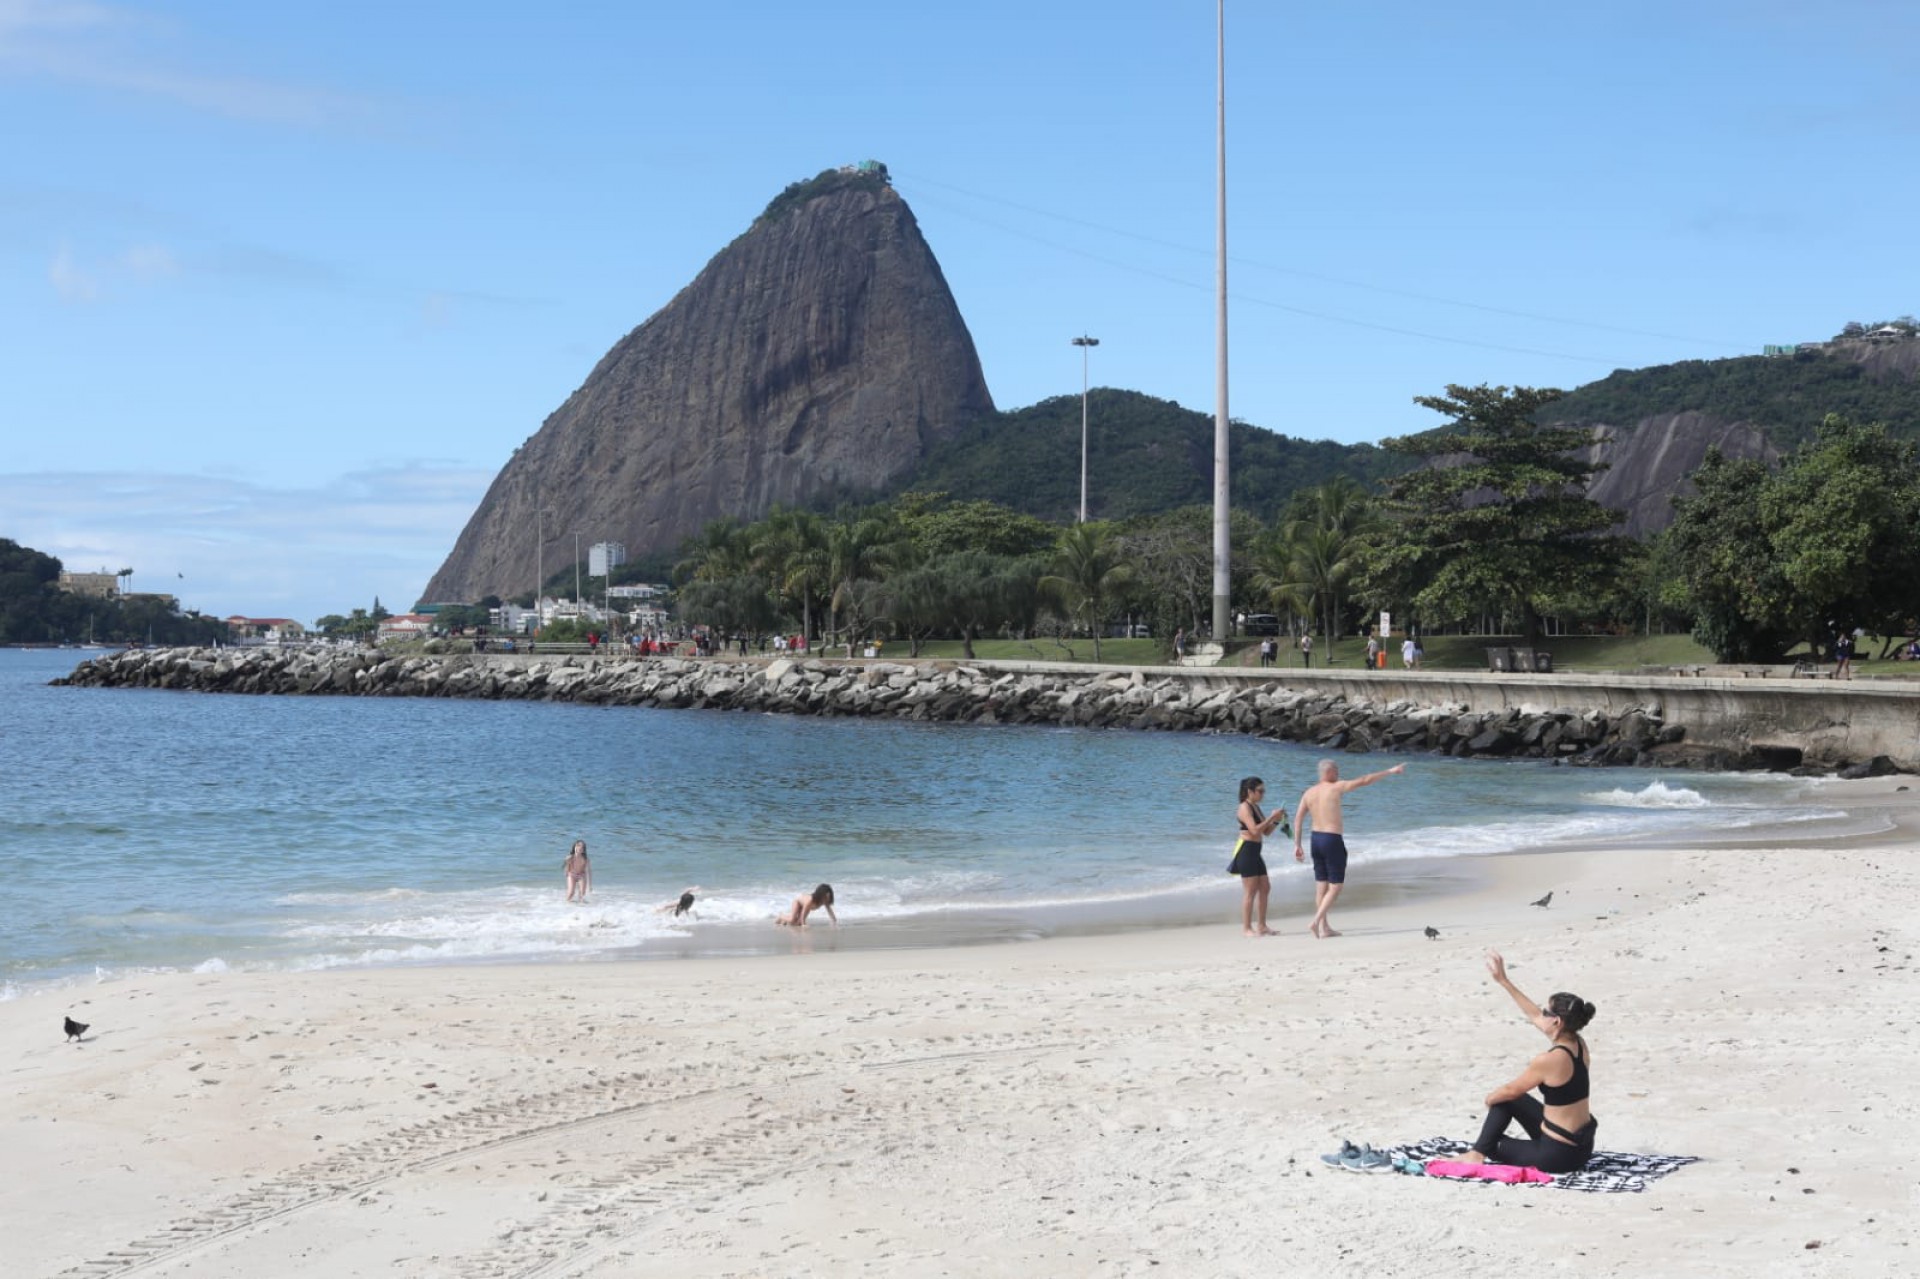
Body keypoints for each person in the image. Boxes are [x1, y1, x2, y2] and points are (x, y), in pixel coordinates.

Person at [1461, 950, 1598, 1173]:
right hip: (1581, 1146)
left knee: (1500, 1113)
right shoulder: (1578, 1044)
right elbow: (1534, 1015)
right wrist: (1504, 981)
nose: (1541, 1014)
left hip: (1558, 1156)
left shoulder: (1549, 1060)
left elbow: (1510, 1090)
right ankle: (1478, 1151)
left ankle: (1476, 1154)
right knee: (1512, 1099)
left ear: (1557, 1021)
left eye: (1546, 1012)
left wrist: (1490, 1099)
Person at [1290, 759, 1404, 938]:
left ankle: (1324, 928)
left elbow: (1297, 820)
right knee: (1335, 886)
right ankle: (1315, 921)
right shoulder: (1337, 787)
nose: (1338, 774)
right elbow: (1365, 780)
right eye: (1336, 771)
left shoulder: (1308, 793)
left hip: (1315, 840)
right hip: (1331, 839)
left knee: (1321, 886)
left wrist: (1297, 845)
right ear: (1330, 772)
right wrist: (1390, 771)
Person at [1228, 776, 1290, 936]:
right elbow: (1254, 830)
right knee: (1250, 891)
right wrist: (1270, 817)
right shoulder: (1244, 807)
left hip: (1256, 851)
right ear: (1250, 791)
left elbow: (1266, 832)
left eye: (1264, 791)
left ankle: (1262, 926)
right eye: (1260, 791)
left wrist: (1276, 820)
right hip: (1246, 851)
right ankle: (1247, 928)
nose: (1263, 794)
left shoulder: (1255, 807)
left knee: (1265, 887)